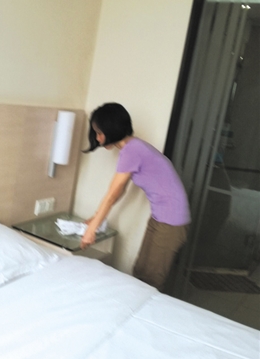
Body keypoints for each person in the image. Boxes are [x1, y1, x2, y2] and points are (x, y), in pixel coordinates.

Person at [81, 102, 190, 291]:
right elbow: (119, 191)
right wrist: (96, 218)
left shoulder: (132, 151)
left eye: (99, 132)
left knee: (151, 279)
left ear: (112, 129)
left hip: (171, 221)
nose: (98, 138)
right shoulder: (134, 147)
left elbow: (112, 194)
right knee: (141, 273)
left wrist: (92, 230)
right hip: (162, 217)